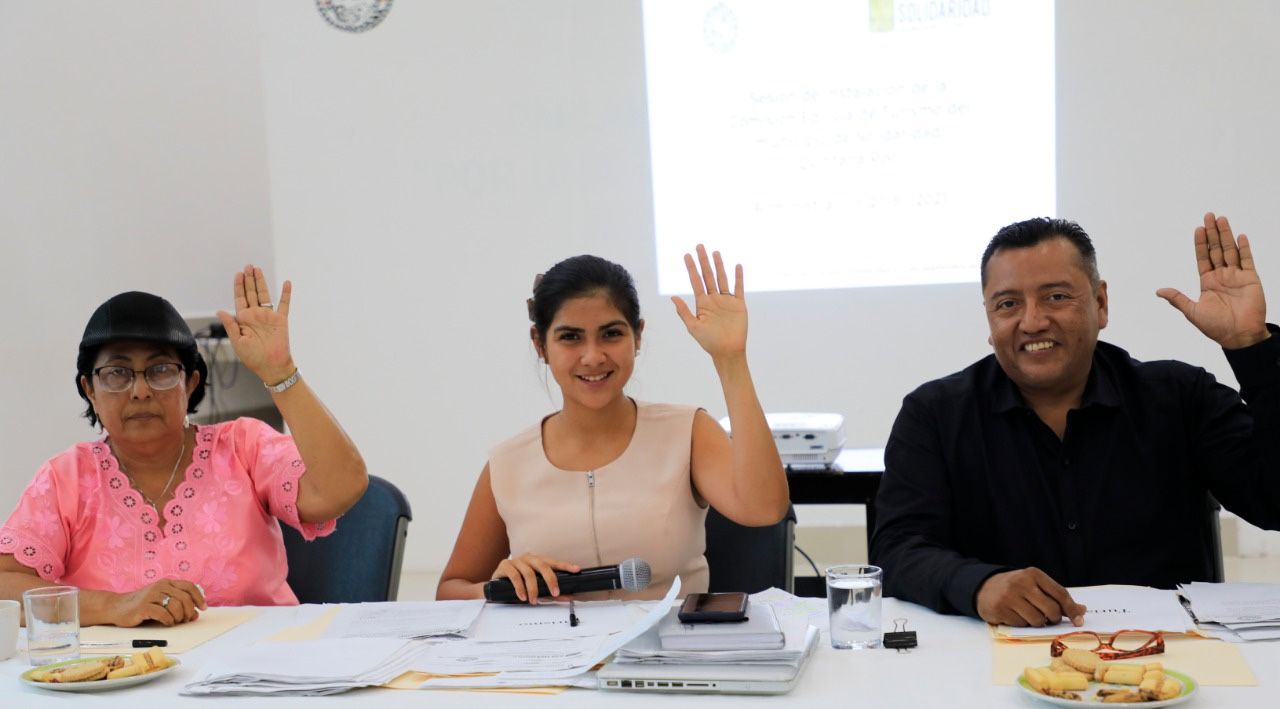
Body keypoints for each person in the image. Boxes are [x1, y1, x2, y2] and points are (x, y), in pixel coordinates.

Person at [870, 213, 1280, 627]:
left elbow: (1274, 503)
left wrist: (1252, 348)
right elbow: (898, 549)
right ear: (990, 319)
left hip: (1173, 655)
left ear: (1100, 304)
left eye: (1056, 297)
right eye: (1008, 304)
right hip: (997, 655)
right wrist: (978, 585)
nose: (1033, 322)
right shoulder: (934, 415)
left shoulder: (1181, 397)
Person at [0, 265, 368, 627]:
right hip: (127, 666)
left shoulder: (243, 447)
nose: (140, 390)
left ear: (189, 383)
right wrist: (113, 606)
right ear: (90, 390)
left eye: (160, 370)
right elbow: (5, 586)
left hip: (259, 659)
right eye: (117, 373)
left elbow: (341, 488)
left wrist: (280, 372)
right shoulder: (67, 478)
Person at [436, 246, 788, 602]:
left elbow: (765, 509)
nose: (593, 356)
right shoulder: (507, 463)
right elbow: (451, 590)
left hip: (675, 638)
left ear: (638, 336)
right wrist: (497, 589)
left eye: (611, 334)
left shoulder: (688, 431)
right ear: (540, 345)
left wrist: (730, 359)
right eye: (570, 337)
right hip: (552, 640)